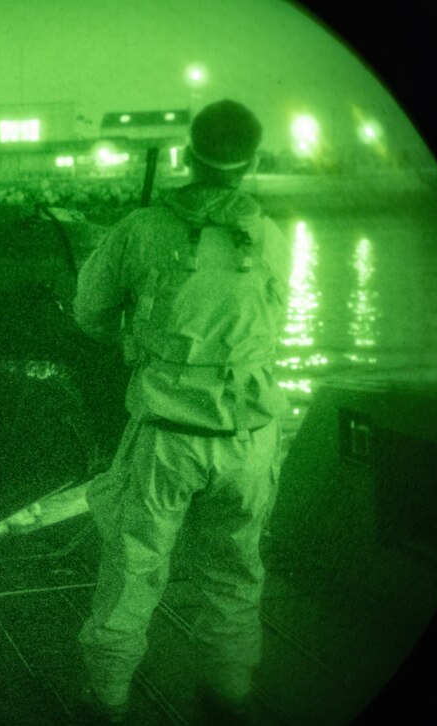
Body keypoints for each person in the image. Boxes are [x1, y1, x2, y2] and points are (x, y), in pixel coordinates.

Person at [72, 100, 291, 724]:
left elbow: (89, 314)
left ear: (188, 155)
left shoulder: (142, 229)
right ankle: (228, 692)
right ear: (249, 164)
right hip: (251, 437)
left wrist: (135, 331)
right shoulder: (272, 238)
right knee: (235, 569)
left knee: (133, 569)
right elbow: (268, 325)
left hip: (167, 437)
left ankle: (107, 697)